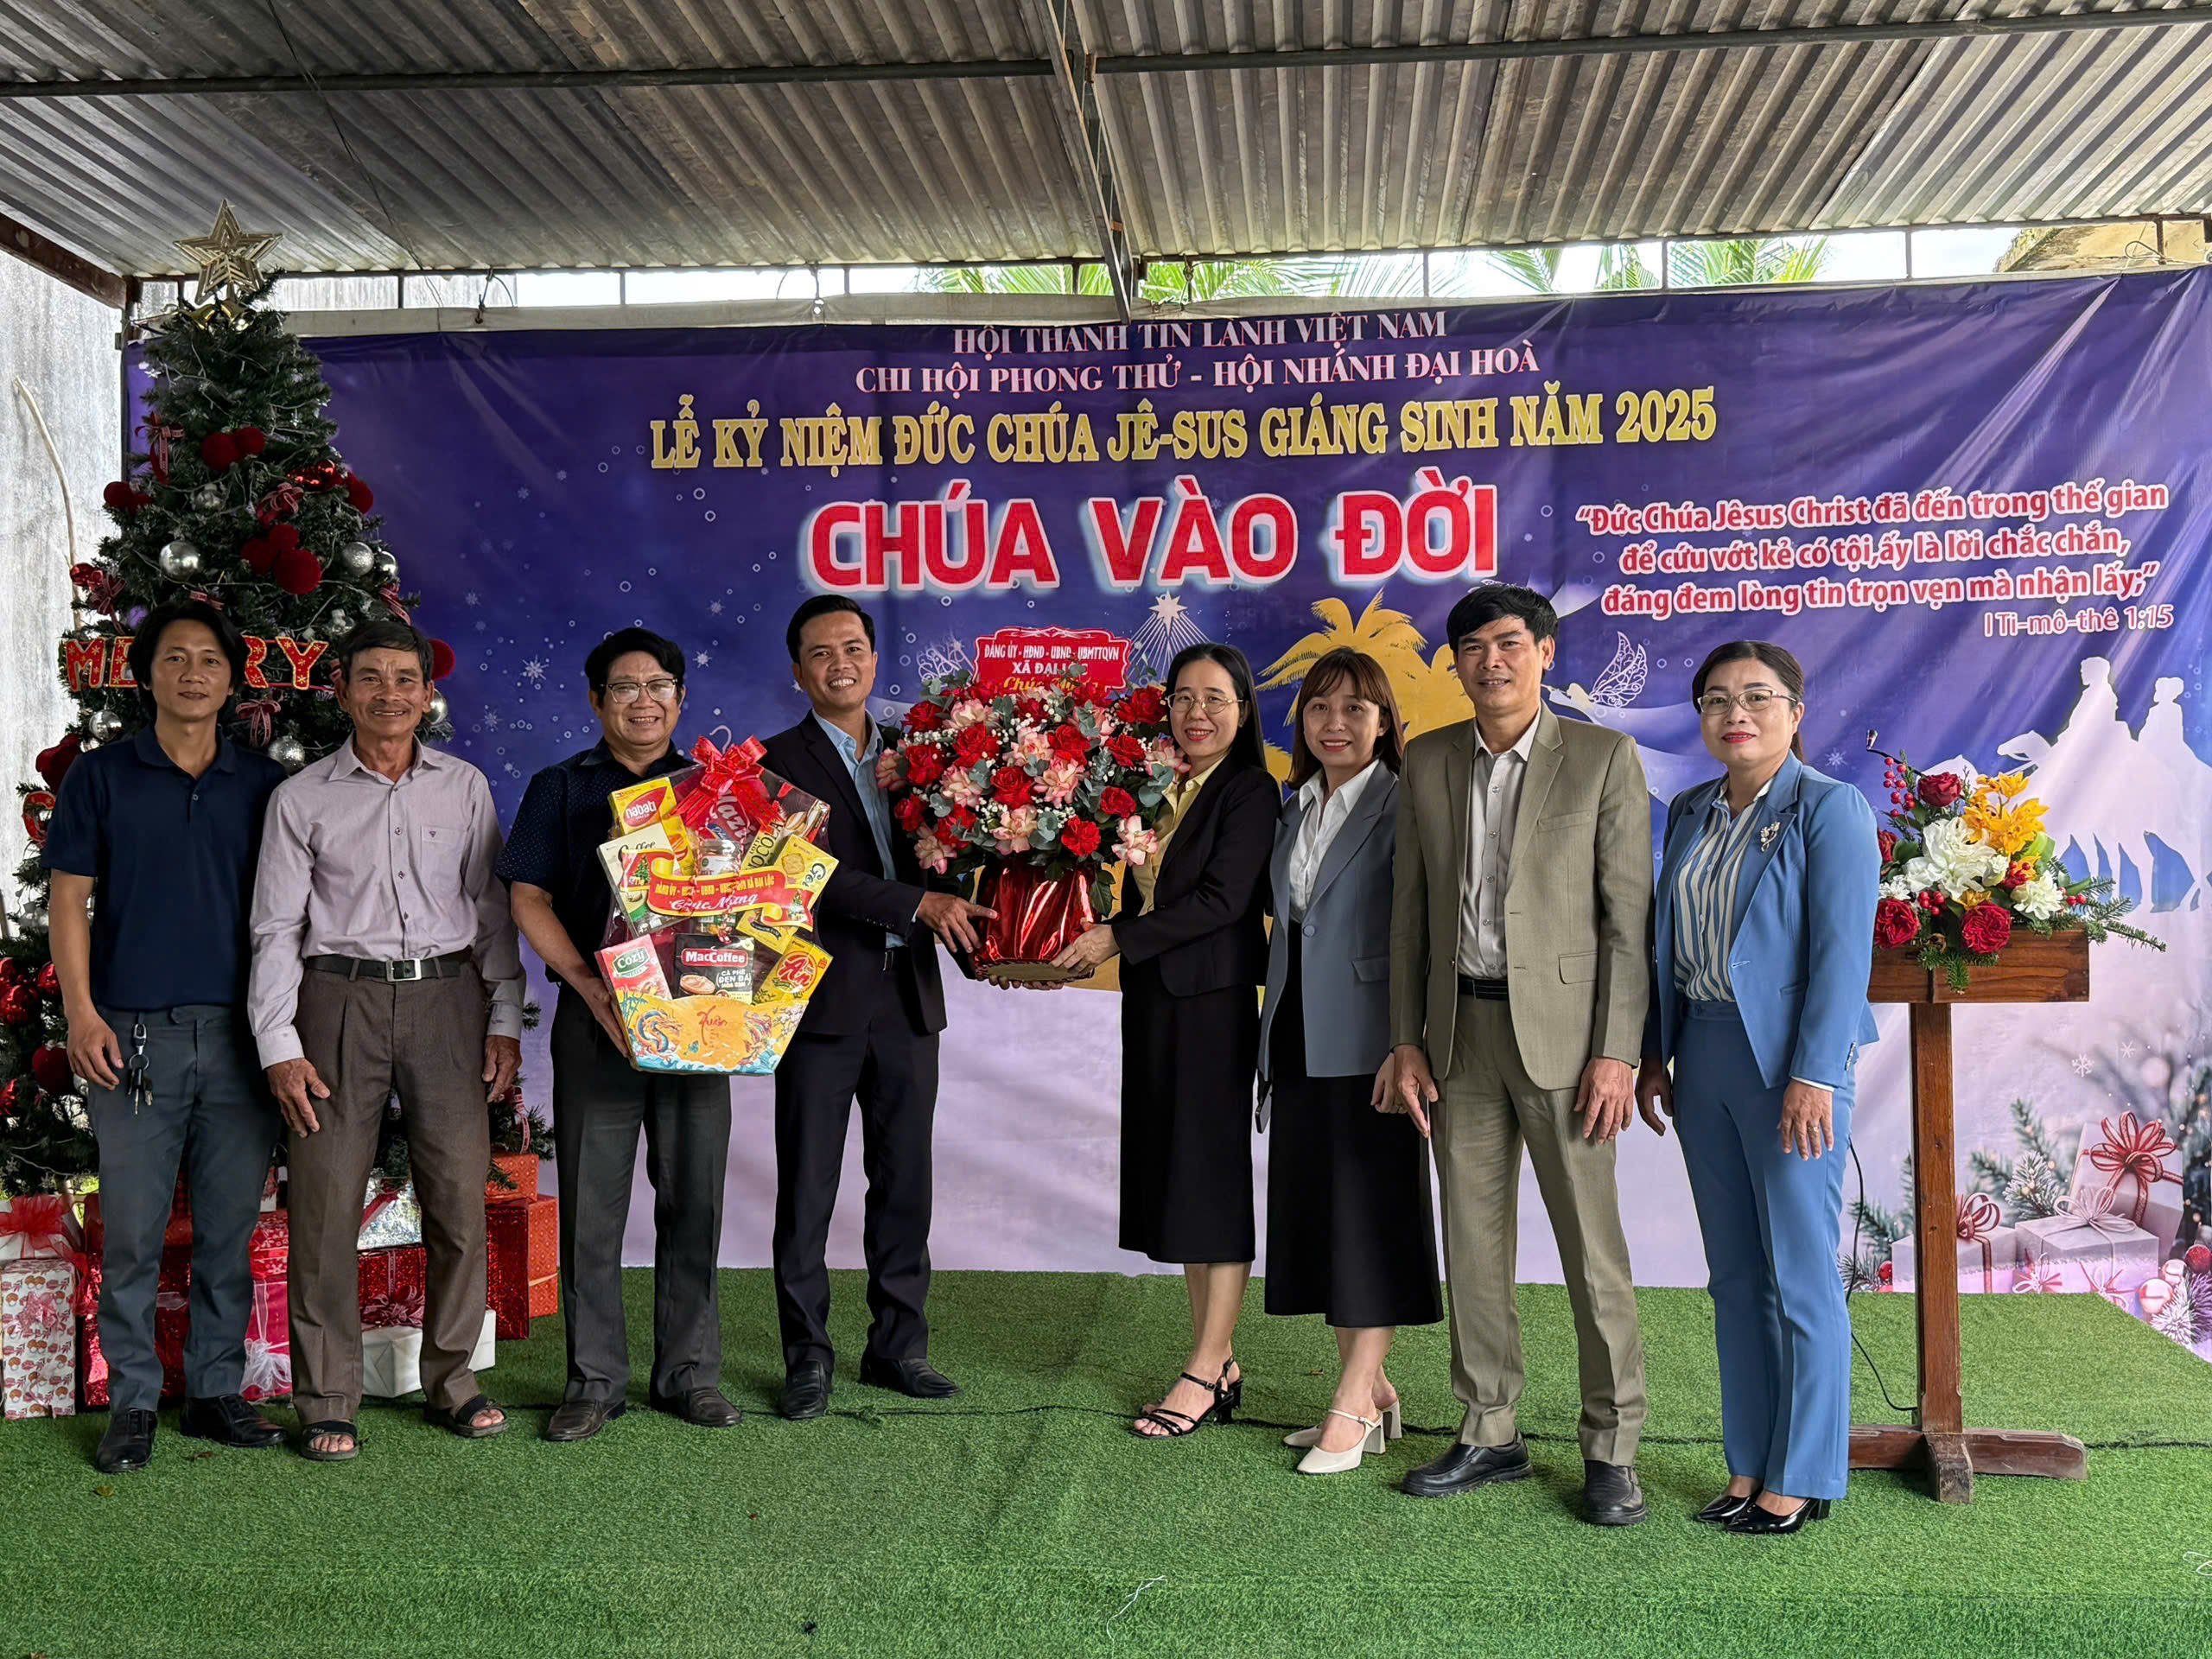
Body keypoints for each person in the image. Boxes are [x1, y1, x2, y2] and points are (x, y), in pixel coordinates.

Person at [1388, 582, 1653, 1524]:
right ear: (1455, 664)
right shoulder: (1426, 760)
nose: (1490, 661)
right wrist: (1406, 1040)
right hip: (1458, 1035)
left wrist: (1616, 1051)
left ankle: (1611, 1448)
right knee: (1472, 1246)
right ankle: (1488, 1429)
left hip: (1569, 1046)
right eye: (1472, 647)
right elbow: (1409, 916)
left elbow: (1627, 922)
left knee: (1592, 1253)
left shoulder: (1602, 757)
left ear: (1544, 652)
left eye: (1508, 643)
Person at [249, 619, 526, 1462]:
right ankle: (328, 1399)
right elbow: (275, 929)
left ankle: (453, 1379)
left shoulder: (464, 787)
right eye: (370, 677)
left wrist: (504, 1019)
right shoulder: (301, 799)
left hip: (447, 1002)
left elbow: (491, 912)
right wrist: (278, 1043)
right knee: (325, 1206)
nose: (389, 694)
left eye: (406, 678)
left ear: (427, 694)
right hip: (338, 1001)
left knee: (458, 1198)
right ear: (340, 690)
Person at [1636, 641, 1878, 1534]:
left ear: (1795, 711)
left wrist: (1814, 1074)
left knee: (1801, 1275)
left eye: (1757, 697)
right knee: (1735, 1275)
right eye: (1715, 699)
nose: (1734, 713)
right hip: (1700, 1057)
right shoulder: (1690, 811)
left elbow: (1842, 955)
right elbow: (1665, 945)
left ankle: (1803, 1473)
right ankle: (1748, 1464)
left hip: (1788, 1067)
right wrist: (1654, 1053)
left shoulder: (1830, 809)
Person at [44, 600, 288, 1475]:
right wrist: (81, 1014)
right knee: (134, 1237)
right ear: (145, 674)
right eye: (175, 658)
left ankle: (216, 1392)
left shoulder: (265, 786)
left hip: (241, 1040)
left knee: (228, 1231)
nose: (193, 674)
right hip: (130, 1040)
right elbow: (67, 898)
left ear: (232, 680)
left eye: (210, 660)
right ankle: (134, 1402)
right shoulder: (102, 777)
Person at [499, 627, 740, 1442]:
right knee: (591, 1209)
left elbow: (757, 896)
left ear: (681, 698)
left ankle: (690, 1374)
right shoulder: (561, 787)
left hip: (698, 1019)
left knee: (695, 1198)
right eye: (625, 687)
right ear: (597, 700)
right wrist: (589, 983)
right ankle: (594, 1380)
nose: (644, 700)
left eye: (659, 685)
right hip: (595, 1018)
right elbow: (527, 896)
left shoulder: (718, 789)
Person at [760, 596, 995, 1421]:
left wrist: (996, 943)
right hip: (820, 1002)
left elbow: (950, 860)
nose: (841, 664)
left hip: (908, 1000)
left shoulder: (918, 755)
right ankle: (807, 1358)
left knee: (904, 1182)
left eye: (853, 648)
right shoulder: (772, 764)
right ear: (798, 671)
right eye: (822, 653)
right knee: (808, 1189)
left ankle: (899, 1347)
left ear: (872, 657)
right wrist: (917, 905)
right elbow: (805, 871)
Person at [1052, 642, 1280, 1439]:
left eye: (1216, 698)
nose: (1197, 712)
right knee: (1182, 1182)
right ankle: (1220, 1358)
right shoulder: (1159, 786)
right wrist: (1074, 940)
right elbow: (1138, 894)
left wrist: (1117, 938)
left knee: (1211, 1181)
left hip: (1212, 1005)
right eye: (1183, 697)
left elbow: (1223, 901)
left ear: (1243, 710)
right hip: (1155, 1000)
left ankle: (1203, 1370)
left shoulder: (1251, 790)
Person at [1259, 648, 1440, 1475]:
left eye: (1355, 709)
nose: (1335, 724)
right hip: (1296, 1031)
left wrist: (1407, 1043)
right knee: (1329, 1217)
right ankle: (1374, 1386)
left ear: (1384, 722)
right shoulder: (1294, 806)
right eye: (1320, 708)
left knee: (1370, 1217)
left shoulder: (1406, 804)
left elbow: (1424, 934)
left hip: (1375, 1040)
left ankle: (1353, 1400)